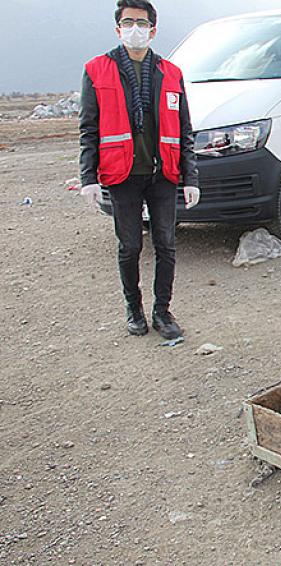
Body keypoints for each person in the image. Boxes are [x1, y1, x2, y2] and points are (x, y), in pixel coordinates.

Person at [79, 0, 199, 339]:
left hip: (163, 174)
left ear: (153, 29)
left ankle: (162, 311)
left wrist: (191, 177)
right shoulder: (96, 69)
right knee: (130, 246)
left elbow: (184, 129)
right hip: (122, 175)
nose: (136, 28)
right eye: (128, 22)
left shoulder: (171, 73)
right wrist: (88, 177)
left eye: (141, 23)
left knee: (166, 244)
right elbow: (89, 128)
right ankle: (134, 308)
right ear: (118, 28)